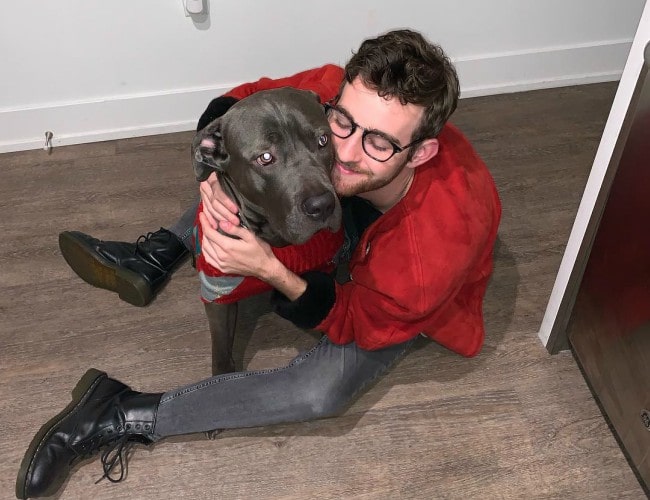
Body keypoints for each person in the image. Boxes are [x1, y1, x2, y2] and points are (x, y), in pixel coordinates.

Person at [15, 29, 501, 499]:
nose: (344, 155)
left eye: (378, 143)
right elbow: (250, 102)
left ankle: (118, 411)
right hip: (357, 218)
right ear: (335, 101)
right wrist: (211, 175)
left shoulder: (429, 249)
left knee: (321, 393)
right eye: (340, 127)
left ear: (421, 152)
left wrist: (273, 272)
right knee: (255, 178)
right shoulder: (338, 100)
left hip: (400, 304)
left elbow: (355, 320)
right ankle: (158, 254)